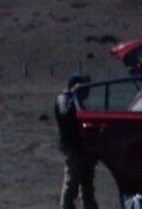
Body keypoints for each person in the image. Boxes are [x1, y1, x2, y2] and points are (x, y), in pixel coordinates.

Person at [55, 73, 98, 209]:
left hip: (84, 147)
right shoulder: (64, 99)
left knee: (87, 185)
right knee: (72, 182)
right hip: (73, 147)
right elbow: (65, 113)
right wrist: (75, 96)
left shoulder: (76, 100)